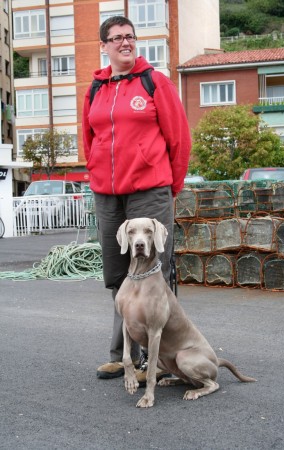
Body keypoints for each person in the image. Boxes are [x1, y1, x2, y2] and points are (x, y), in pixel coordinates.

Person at [82, 15, 191, 381]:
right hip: (109, 196)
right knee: (118, 276)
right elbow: (90, 140)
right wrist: (98, 175)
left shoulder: (154, 82)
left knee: (154, 273)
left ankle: (156, 361)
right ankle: (121, 357)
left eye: (130, 37)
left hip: (149, 192)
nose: (125, 43)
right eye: (116, 38)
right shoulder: (95, 90)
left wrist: (169, 188)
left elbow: (179, 141)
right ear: (105, 45)